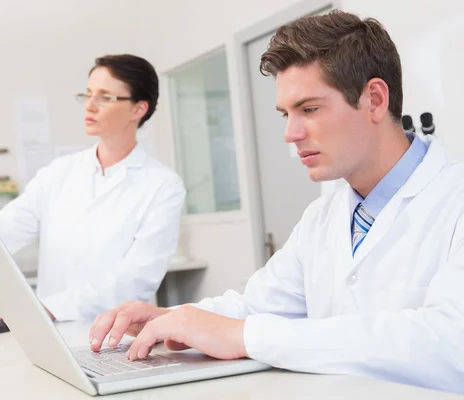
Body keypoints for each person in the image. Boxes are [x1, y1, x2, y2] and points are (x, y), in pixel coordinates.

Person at [88, 11, 464, 394]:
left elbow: (451, 343)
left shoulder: (455, 200)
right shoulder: (323, 216)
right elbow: (257, 306)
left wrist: (246, 336)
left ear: (374, 99)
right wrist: (170, 318)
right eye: (286, 113)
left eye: (310, 109)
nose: (290, 133)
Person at [0, 54, 186, 322]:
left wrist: (52, 309)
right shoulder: (58, 173)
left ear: (138, 109)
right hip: (51, 335)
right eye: (88, 94)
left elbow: (137, 279)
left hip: (117, 337)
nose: (89, 106)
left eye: (104, 97)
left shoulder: (162, 186)